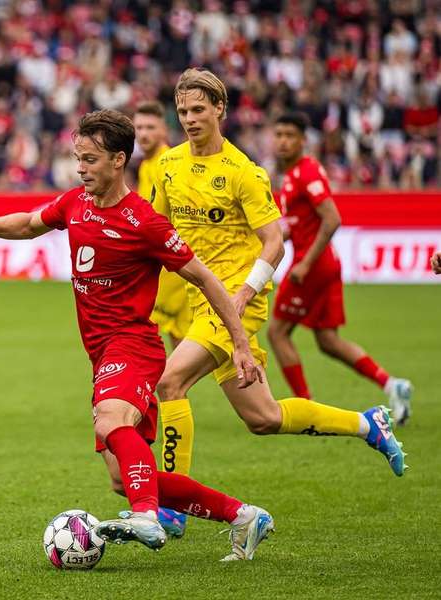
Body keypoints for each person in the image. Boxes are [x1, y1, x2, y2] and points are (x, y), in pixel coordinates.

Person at [0, 109, 275, 561]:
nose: (81, 168)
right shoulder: (75, 203)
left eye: (91, 159)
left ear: (118, 160)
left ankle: (147, 518)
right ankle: (244, 516)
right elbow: (30, 223)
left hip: (133, 345)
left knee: (110, 420)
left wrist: (239, 346)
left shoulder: (145, 222)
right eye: (78, 158)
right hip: (100, 353)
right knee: (124, 478)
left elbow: (207, 279)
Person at [151, 68, 407, 538]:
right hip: (198, 300)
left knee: (170, 383)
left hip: (235, 302)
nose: (188, 119)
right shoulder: (169, 166)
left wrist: (244, 293)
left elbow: (274, 243)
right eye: (183, 111)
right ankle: (367, 424)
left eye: (198, 110)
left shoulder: (244, 172)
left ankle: (171, 506)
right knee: (263, 418)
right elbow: (156, 233)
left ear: (220, 110)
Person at [267, 112, 413, 423]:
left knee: (277, 332)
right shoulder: (294, 174)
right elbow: (301, 223)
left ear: (303, 140)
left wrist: (305, 263)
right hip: (324, 264)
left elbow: (332, 218)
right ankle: (392, 384)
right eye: (278, 134)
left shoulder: (306, 173)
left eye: (289, 135)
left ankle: (304, 407)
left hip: (313, 265)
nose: (282, 141)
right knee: (328, 341)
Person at [134, 101, 191, 352]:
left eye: (150, 127)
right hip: (162, 265)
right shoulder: (146, 165)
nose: (144, 133)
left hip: (176, 267)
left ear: (164, 131)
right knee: (177, 342)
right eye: (139, 127)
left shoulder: (169, 165)